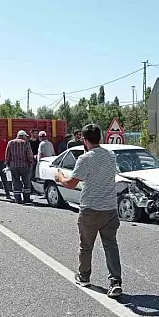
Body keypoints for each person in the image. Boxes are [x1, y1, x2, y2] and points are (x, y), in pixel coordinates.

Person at [56, 123, 123, 298]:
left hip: (90, 209)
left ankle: (84, 276)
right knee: (111, 246)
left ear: (84, 140)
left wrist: (60, 177)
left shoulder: (85, 159)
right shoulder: (111, 155)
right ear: (99, 137)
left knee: (86, 246)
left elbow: (71, 184)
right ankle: (115, 282)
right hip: (110, 208)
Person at [6, 130, 35, 204]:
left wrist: (7, 164)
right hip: (24, 166)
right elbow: (29, 155)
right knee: (26, 182)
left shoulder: (10, 143)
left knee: (15, 181)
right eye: (25, 136)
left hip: (14, 166)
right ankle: (26, 198)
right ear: (23, 136)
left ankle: (18, 199)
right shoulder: (26, 143)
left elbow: (7, 155)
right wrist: (31, 163)